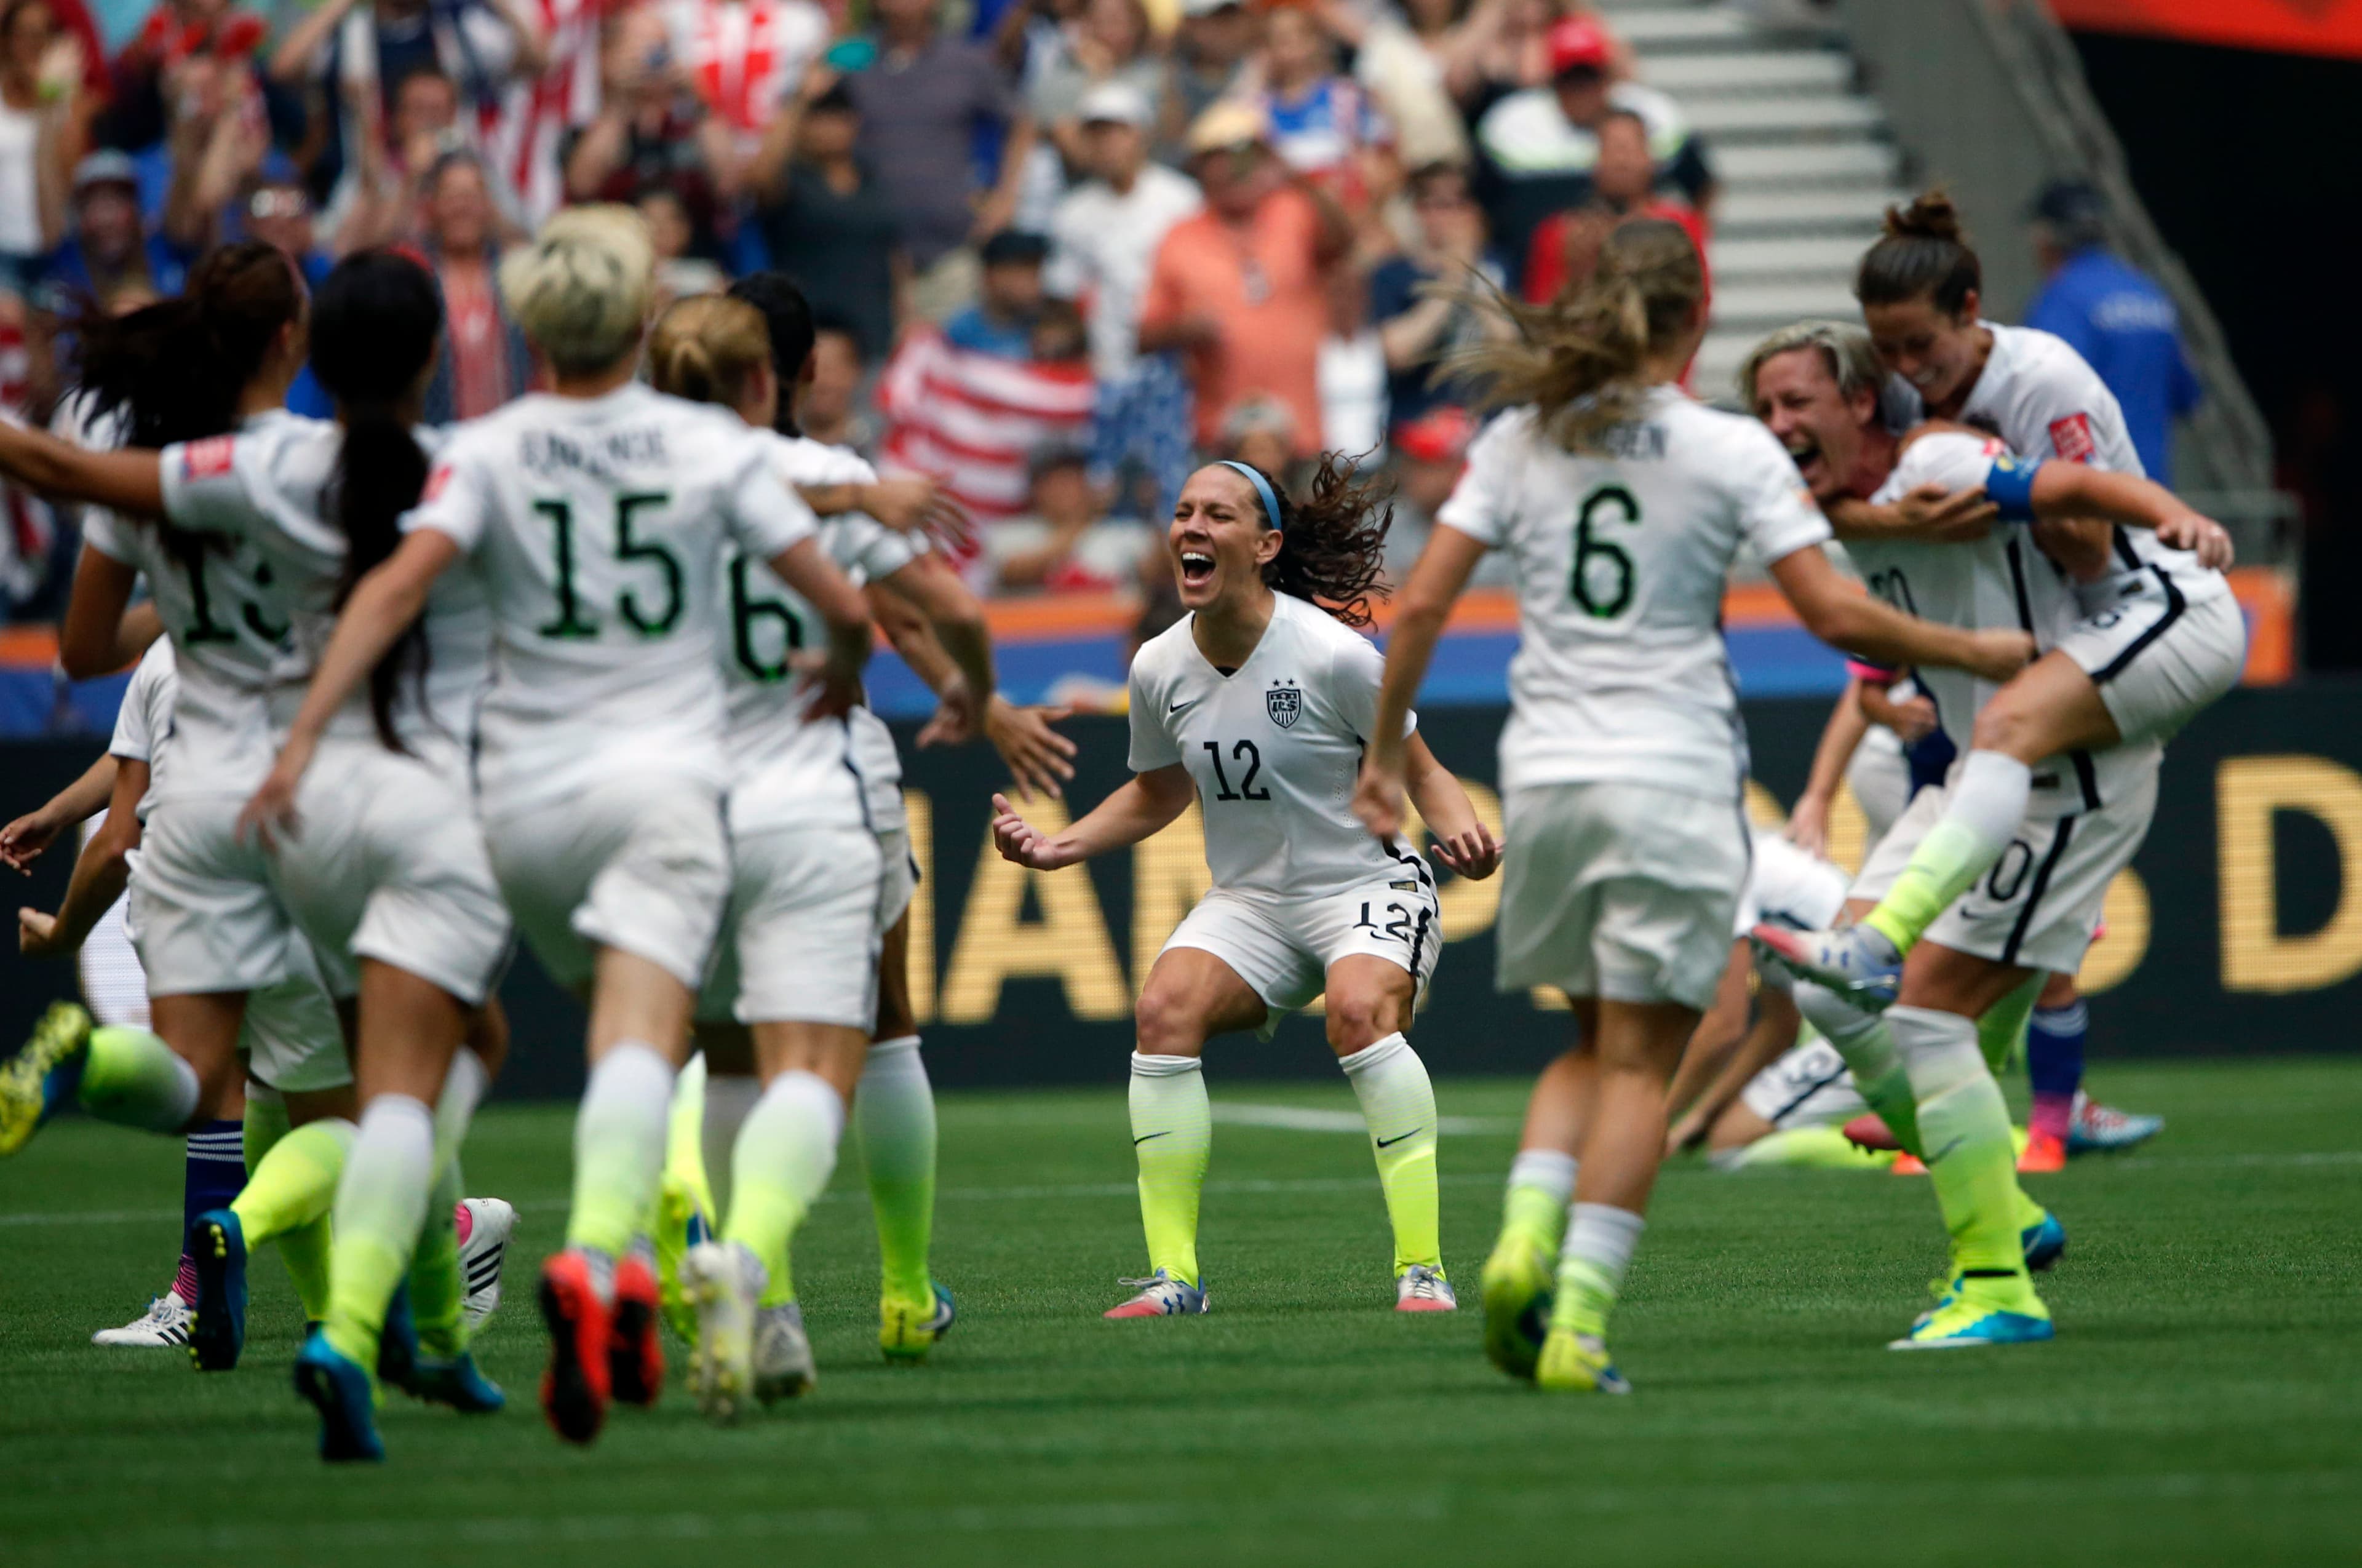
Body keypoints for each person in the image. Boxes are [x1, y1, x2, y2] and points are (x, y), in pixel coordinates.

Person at [1348, 220, 2038, 1391]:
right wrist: (1968, 641)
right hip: (1671, 776)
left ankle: (1519, 1237)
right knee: (1640, 1066)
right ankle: (1575, 1323)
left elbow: (1414, 609)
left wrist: (1379, 761)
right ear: (1693, 322)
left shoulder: (1518, 437)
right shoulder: (1730, 451)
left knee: (1584, 1040)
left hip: (1552, 777)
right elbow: (1837, 615)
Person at [232, 207, 872, 1449]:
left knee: (410, 1074)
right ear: (641, 320)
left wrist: (304, 736)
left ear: (527, 326)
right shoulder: (705, 444)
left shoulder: (484, 446)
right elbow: (839, 595)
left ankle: (358, 1324)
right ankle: (594, 1256)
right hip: (661, 786)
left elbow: (395, 587)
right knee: (636, 1039)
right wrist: (843, 659)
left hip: (517, 806)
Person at [0, 250, 523, 1459]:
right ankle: (397, 1327)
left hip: (188, 813)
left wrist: (186, 605)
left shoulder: (169, 476)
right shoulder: (333, 464)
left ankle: (91, 1064)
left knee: (197, 1078)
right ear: (296, 337)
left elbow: (84, 644)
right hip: (314, 795)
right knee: (414, 1072)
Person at [1740, 314, 2233, 1345]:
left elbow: (2059, 508)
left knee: (1925, 1017)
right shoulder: (1826, 507)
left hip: (2057, 773)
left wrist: (2158, 511)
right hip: (1976, 775)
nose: (1776, 423)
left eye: (1797, 401)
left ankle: (1998, 1279)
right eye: (1765, 407)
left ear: (1863, 399)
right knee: (1833, 992)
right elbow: (1853, 609)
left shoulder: (1944, 454)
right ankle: (2004, 1203)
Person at [993, 455, 1502, 1318]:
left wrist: (1468, 837)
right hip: (1254, 902)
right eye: (1185, 512)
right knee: (1164, 1009)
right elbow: (1160, 790)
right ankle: (1174, 1279)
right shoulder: (1158, 667)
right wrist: (1061, 846)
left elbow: (1424, 770)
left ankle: (1423, 1269)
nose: (1193, 527)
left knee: (1356, 1012)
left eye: (1218, 516)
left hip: (1365, 883)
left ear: (1266, 544)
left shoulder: (1334, 655)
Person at [635, 292, 996, 1419]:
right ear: (774, 377)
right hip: (815, 791)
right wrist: (974, 695)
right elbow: (935, 605)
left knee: (723, 1056)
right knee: (854, 1043)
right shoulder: (817, 474)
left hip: (676, 799)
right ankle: (835, 1275)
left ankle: (776, 1312)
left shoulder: (625, 482)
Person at [1757, 198, 2247, 1027]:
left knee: (2008, 729)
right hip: (2083, 641)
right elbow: (1856, 497)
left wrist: (2010, 489)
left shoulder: (2041, 378)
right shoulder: (1914, 402)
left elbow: (2089, 544)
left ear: (1973, 312)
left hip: (2154, 602)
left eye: (1923, 344)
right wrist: (1907, 514)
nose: (1909, 367)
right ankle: (1957, 1085)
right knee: (1953, 988)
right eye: (1890, 349)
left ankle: (1890, 949)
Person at [1139, 101, 1350, 461]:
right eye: (1216, 159)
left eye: (1240, 158)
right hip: (1221, 431)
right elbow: (1144, 335)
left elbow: (1345, 240)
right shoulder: (1179, 237)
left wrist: (1289, 172)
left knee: (1306, 516)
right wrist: (1185, 329)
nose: (1230, 170)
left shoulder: (1293, 210)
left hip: (1301, 431)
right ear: (1200, 169)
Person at [1046, 80, 1199, 527]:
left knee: (1175, 487)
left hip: (1174, 371)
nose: (1107, 143)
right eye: (1096, 133)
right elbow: (1065, 295)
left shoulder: (1181, 199)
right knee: (1108, 492)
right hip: (1109, 372)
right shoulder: (1074, 213)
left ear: (1141, 135)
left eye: (1117, 131)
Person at [1471, 15, 1709, 294]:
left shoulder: (1677, 224)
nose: (1581, 90)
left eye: (1590, 77)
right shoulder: (1512, 128)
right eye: (1570, 79)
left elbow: (1702, 184)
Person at [845, 0, 1036, 321]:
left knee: (949, 363)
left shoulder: (967, 60)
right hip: (872, 256)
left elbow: (1022, 123)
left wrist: (1006, 197)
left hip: (951, 256)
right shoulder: (853, 59)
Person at [2024, 178, 2202, 485]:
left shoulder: (2063, 300)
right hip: (2153, 497)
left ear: (2049, 236)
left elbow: (2042, 394)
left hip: (2091, 497)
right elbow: (2187, 395)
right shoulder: (2149, 293)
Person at [748, 76, 907, 363]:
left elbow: (895, 259)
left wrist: (905, 321)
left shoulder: (874, 185)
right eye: (818, 119)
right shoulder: (792, 184)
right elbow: (760, 177)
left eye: (838, 118)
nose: (829, 129)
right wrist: (798, 102)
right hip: (804, 339)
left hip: (871, 342)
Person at [1369, 161, 1505, 439]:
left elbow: (1511, 345)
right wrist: (1454, 277)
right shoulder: (1392, 274)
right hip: (1417, 428)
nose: (1450, 216)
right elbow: (1397, 352)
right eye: (1438, 204)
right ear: (1419, 211)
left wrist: (1474, 273)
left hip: (1485, 428)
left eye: (1459, 203)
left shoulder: (1499, 266)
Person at [1520, 107, 1708, 306]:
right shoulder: (1559, 233)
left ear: (1651, 159)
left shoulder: (1682, 226)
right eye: (1611, 149)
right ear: (1594, 160)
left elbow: (1698, 304)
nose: (1621, 161)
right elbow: (1542, 307)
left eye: (1631, 149)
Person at [0, 0, 81, 288]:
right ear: (8, 40)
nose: (33, 45)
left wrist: (53, 99)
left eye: (43, 34)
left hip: (56, 247)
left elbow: (72, 176)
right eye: (25, 34)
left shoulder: (63, 101)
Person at [944, 228, 1048, 359]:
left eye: (1036, 273)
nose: (1034, 283)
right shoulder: (961, 331)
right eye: (1022, 273)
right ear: (991, 276)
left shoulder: (1049, 324)